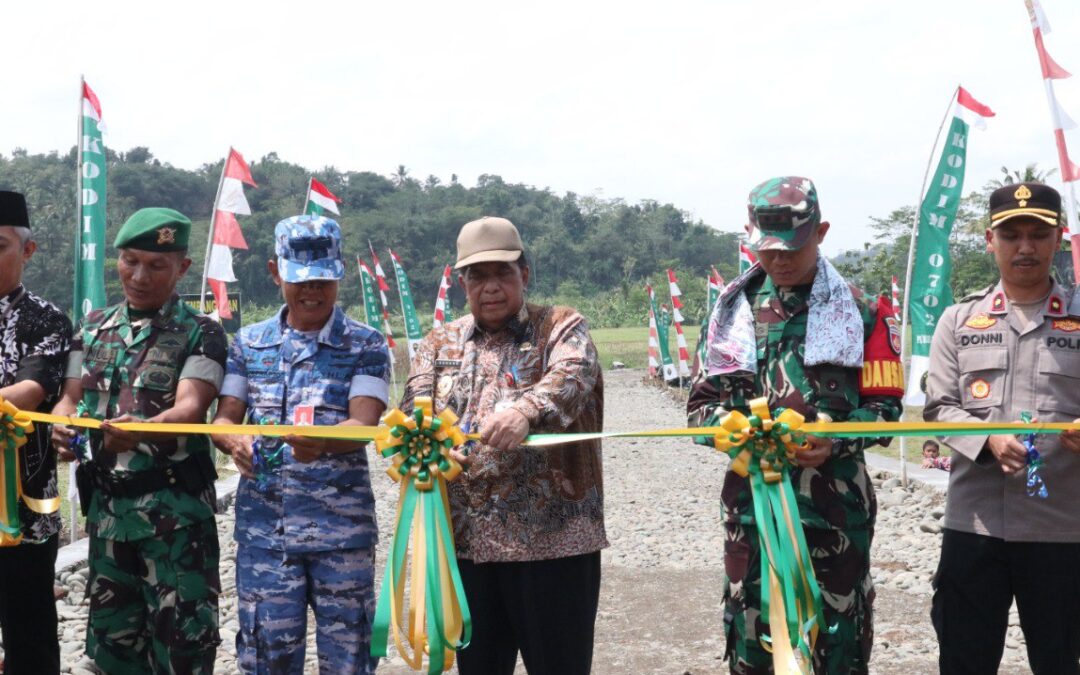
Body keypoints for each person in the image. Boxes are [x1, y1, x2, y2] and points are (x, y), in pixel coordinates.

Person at [688, 177, 903, 674]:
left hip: (834, 519)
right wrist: (732, 430)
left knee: (837, 644)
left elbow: (886, 412)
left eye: (793, 247)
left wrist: (834, 438)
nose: (779, 260)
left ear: (821, 232)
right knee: (752, 640)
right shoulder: (729, 314)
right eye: (766, 249)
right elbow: (699, 407)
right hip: (751, 515)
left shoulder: (864, 313)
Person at [400, 216, 605, 675]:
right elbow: (412, 411)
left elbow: (571, 376)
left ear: (524, 275)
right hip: (466, 550)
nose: (490, 286)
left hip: (554, 548)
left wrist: (524, 411)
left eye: (502, 273)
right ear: (461, 282)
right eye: (478, 275)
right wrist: (427, 448)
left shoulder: (561, 325)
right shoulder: (439, 342)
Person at [210, 215, 390, 675]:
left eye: (322, 281)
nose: (312, 291)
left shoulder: (365, 344)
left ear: (339, 273)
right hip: (266, 535)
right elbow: (224, 418)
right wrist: (236, 441)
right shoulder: (249, 344)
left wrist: (325, 445)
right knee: (267, 656)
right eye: (299, 280)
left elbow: (364, 422)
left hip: (341, 535)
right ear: (275, 272)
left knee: (349, 657)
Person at [50, 208, 227, 674]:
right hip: (108, 522)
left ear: (182, 268)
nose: (140, 276)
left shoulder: (202, 333)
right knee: (114, 654)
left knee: (182, 653)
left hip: (175, 524)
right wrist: (62, 427)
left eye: (156, 265)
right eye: (130, 262)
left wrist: (141, 431)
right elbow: (68, 400)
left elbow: (190, 409)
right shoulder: (90, 328)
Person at [924, 182, 1080, 674]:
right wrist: (986, 438)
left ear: (1060, 239)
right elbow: (939, 407)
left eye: (1039, 233)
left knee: (1061, 662)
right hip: (975, 526)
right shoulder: (958, 321)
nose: (1026, 247)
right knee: (965, 660)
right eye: (1012, 234)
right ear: (990, 240)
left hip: (1062, 528)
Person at [0, 191, 71, 674]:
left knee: (29, 637)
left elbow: (28, 390)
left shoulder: (45, 320)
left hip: (21, 514)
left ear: (28, 250)